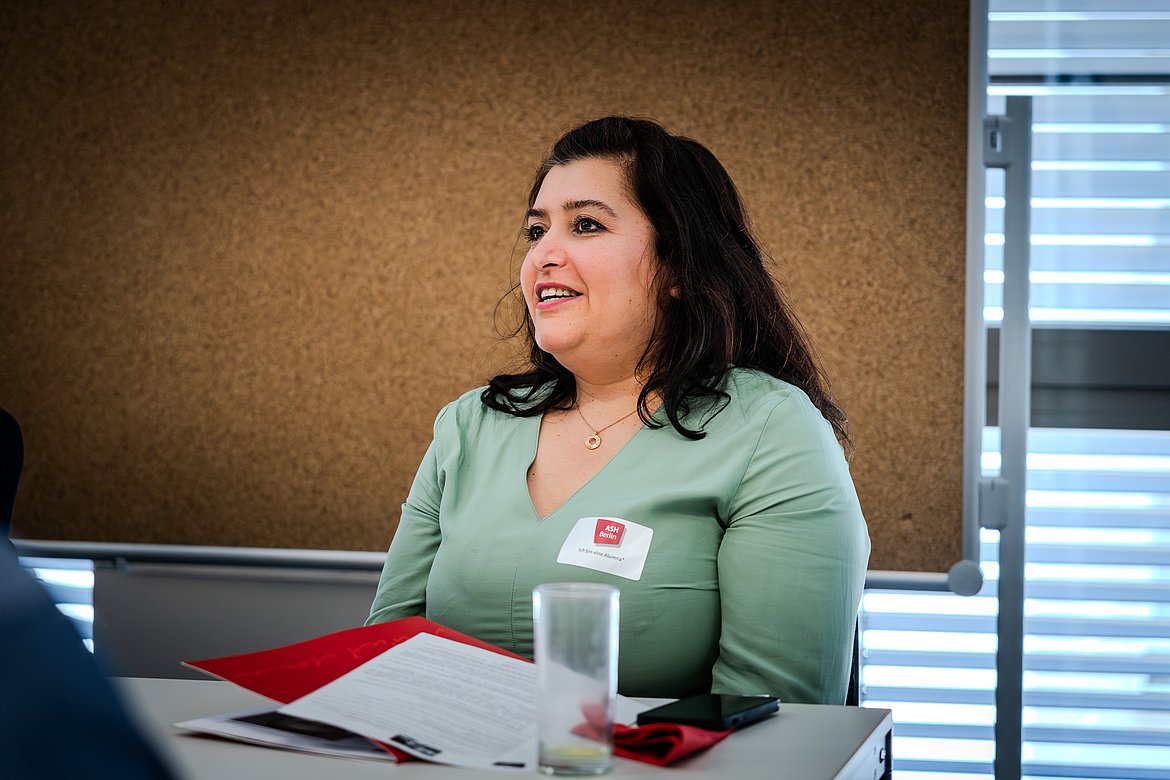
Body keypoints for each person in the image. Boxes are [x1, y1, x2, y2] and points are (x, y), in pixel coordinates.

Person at [367, 116, 869, 704]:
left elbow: (770, 719)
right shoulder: (470, 424)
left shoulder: (771, 430)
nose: (543, 257)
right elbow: (385, 657)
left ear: (678, 265)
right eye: (536, 232)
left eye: (585, 225)